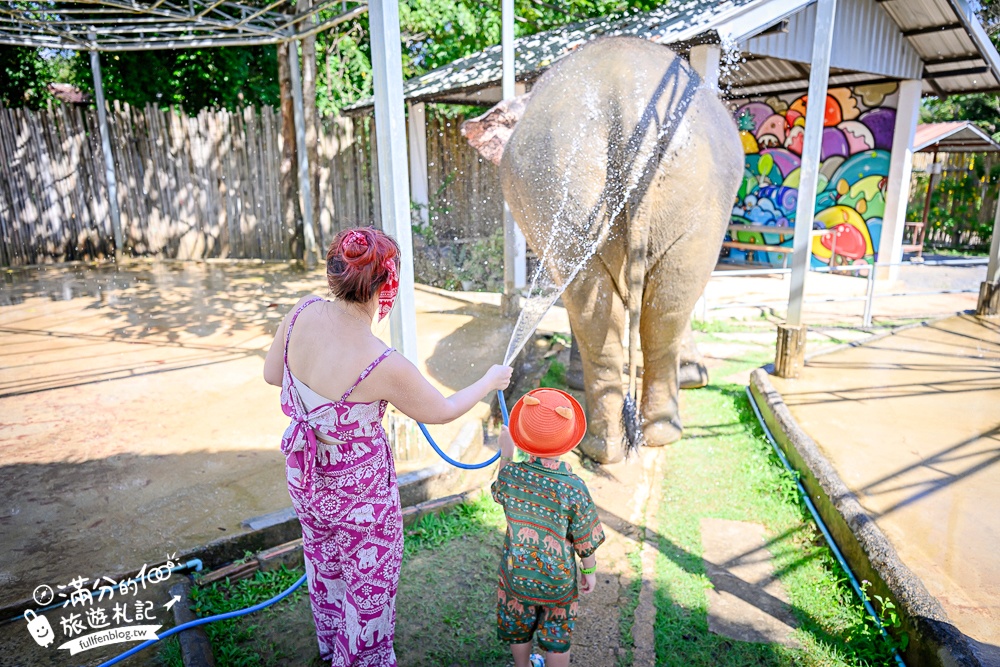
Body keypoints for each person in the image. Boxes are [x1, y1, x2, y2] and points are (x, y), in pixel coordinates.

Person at [263, 226, 512, 666]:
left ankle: (331, 647)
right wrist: (490, 381)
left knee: (325, 567)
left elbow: (272, 374)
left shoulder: (301, 311)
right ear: (385, 283)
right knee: (368, 589)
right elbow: (443, 409)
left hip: (306, 480)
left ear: (334, 271)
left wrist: (321, 409)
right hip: (361, 502)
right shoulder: (381, 362)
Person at [492, 388, 606, 667]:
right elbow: (584, 539)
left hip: (517, 575)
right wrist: (589, 570)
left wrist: (506, 455)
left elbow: (498, 493)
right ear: (568, 441)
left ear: (522, 437)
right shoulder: (573, 487)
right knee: (557, 633)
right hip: (558, 581)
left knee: (519, 626)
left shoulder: (511, 475)